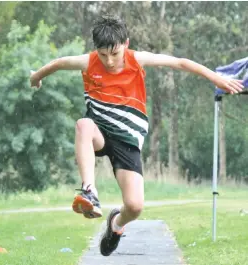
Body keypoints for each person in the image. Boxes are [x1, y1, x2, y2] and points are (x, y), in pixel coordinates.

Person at [30, 15, 243, 256]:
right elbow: (58, 63)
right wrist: (36, 76)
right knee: (83, 125)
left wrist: (218, 79)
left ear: (126, 44)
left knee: (134, 206)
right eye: (103, 55)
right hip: (99, 130)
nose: (109, 61)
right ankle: (90, 191)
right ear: (95, 51)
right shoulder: (87, 62)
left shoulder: (137, 59)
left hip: (127, 138)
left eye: (115, 54)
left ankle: (115, 225)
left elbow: (181, 63)